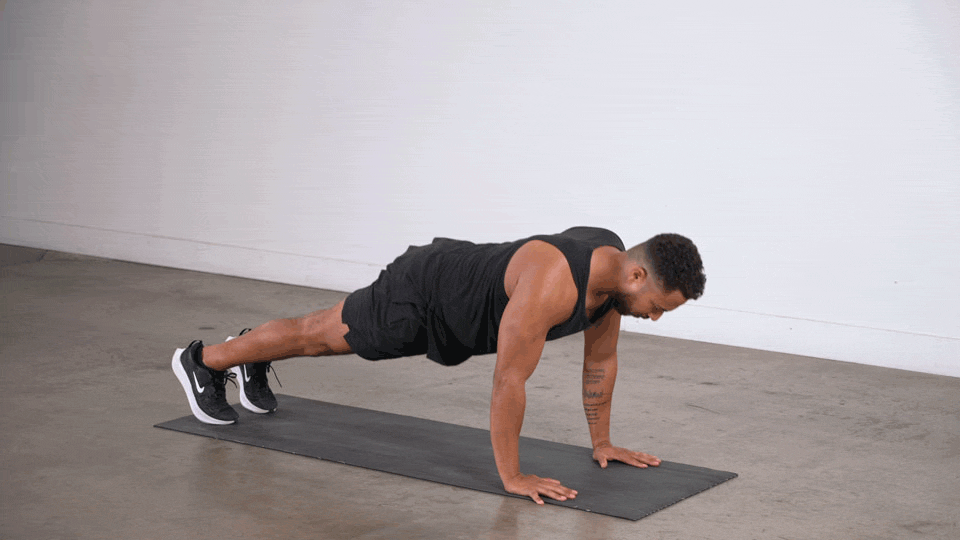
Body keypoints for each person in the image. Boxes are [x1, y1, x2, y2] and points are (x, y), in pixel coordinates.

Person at [171, 226, 706, 505]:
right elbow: (509, 379)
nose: (655, 318)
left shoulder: (612, 278)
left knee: (316, 336)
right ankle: (203, 360)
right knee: (317, 338)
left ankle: (249, 354)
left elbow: (601, 361)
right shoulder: (554, 284)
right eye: (658, 306)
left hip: (457, 300)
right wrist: (513, 476)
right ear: (637, 276)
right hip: (425, 293)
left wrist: (603, 443)